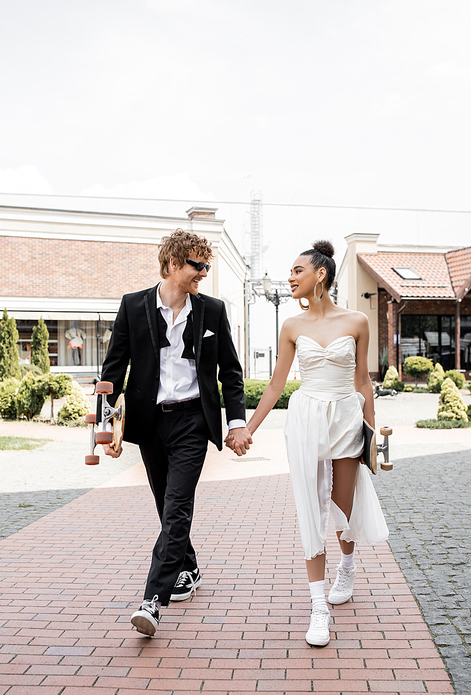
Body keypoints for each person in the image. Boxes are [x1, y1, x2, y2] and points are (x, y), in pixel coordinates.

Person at [226, 240, 388, 647]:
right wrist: (248, 428)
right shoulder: (292, 327)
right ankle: (318, 609)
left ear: (321, 274)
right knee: (310, 506)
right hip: (306, 419)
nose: (290, 277)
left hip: (347, 419)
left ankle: (347, 565)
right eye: (290, 271)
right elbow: (278, 382)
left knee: (342, 504)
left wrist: (374, 434)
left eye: (298, 270)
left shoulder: (356, 321)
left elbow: (364, 381)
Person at [99, 228, 252, 637]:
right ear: (172, 264)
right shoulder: (133, 306)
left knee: (178, 504)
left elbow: (230, 372)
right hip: (151, 423)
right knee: (165, 503)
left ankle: (152, 600)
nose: (203, 273)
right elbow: (113, 371)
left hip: (192, 422)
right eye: (196, 266)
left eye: (206, 266)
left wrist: (236, 422)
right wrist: (105, 427)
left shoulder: (212, 311)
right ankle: (189, 566)